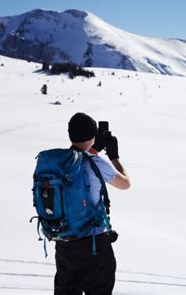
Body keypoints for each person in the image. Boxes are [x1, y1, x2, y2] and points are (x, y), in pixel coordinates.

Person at [54, 112, 130, 295]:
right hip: (94, 246)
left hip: (65, 244)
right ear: (92, 136)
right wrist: (114, 156)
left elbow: (79, 160)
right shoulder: (96, 163)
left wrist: (92, 148)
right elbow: (125, 183)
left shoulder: (57, 162)